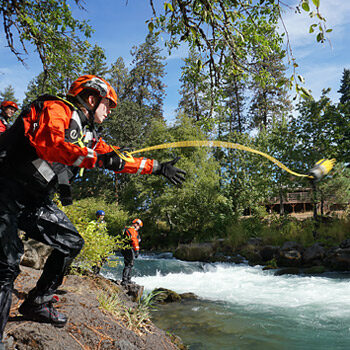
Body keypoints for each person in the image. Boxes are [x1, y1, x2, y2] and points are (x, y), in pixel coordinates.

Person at [0, 75, 186, 348]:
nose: (109, 111)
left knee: (71, 242)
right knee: (6, 266)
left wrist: (157, 167)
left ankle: (38, 301)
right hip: (5, 191)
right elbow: (52, 146)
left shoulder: (88, 135)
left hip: (33, 200)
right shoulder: (56, 110)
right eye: (107, 104)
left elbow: (119, 159)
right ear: (91, 98)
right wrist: (98, 158)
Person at [121, 218, 143, 286]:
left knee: (130, 264)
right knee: (128, 264)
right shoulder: (131, 230)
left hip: (126, 248)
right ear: (136, 224)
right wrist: (137, 250)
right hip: (128, 248)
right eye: (139, 226)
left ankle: (128, 279)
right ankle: (125, 280)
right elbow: (134, 240)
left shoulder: (129, 229)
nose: (139, 228)